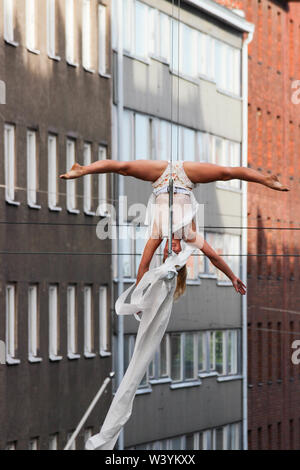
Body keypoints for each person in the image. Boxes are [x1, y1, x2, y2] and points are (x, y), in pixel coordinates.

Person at [60, 158, 289, 299]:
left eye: (169, 254)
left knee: (124, 168)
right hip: (185, 177)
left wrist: (139, 298)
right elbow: (214, 258)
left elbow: (143, 267)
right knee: (225, 173)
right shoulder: (190, 236)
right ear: (182, 254)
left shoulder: (157, 235)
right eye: (178, 255)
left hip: (161, 179)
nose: (174, 251)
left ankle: (82, 169)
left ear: (166, 252)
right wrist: (232, 277)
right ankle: (267, 179)